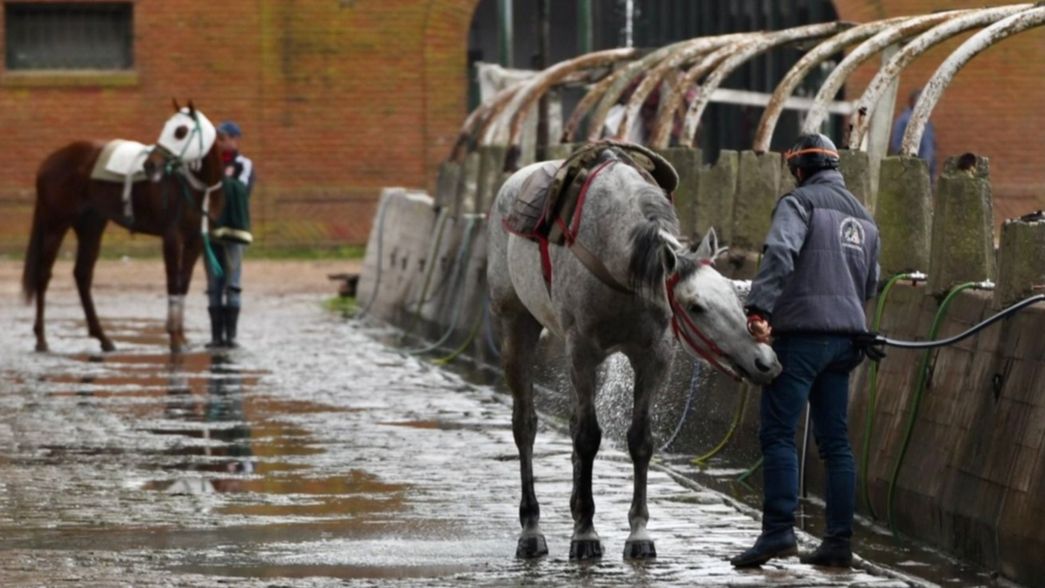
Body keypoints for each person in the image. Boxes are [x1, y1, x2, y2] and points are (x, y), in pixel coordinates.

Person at [730, 133, 880, 569]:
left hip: (801, 339)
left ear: (799, 170)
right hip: (848, 340)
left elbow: (780, 251)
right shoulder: (865, 217)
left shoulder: (798, 203)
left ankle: (778, 533)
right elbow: (871, 282)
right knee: (835, 443)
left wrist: (759, 307)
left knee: (778, 433)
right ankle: (838, 541)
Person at [205, 120, 255, 348]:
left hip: (235, 231)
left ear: (235, 139)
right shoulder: (208, 165)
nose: (220, 143)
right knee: (214, 282)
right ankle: (216, 337)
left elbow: (241, 190)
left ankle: (231, 337)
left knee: (233, 282)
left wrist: (218, 183)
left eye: (223, 138)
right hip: (211, 230)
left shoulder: (244, 164)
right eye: (217, 139)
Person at [889, 88, 937, 177]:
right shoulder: (904, 120)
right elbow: (896, 143)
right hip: (913, 167)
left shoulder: (926, 120)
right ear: (912, 102)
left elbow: (931, 144)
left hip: (927, 168)